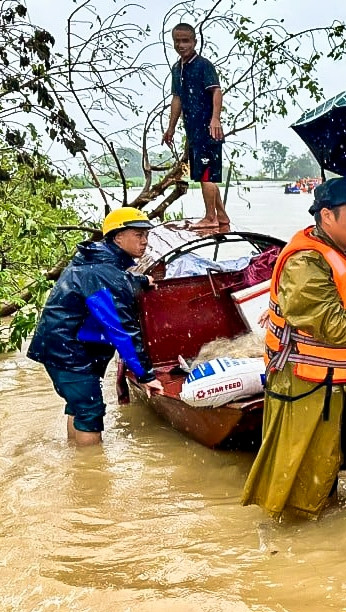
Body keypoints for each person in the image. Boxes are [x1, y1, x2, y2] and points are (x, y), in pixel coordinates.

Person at [241, 177, 346, 519]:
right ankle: (309, 545)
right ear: (327, 216)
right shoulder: (304, 265)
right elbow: (337, 328)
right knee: (311, 476)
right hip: (308, 384)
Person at [27, 207, 165, 446]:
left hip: (60, 346)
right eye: (138, 235)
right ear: (117, 236)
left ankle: (75, 460)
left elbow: (115, 279)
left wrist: (141, 280)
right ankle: (91, 477)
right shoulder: (104, 272)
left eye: (147, 235)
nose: (145, 242)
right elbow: (122, 330)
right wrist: (146, 375)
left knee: (79, 407)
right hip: (69, 352)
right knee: (90, 412)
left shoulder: (97, 260)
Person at [162, 22, 230, 229]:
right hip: (193, 131)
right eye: (177, 41)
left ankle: (210, 218)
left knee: (206, 174)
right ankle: (222, 215)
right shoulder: (177, 68)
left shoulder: (203, 65)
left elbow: (216, 91)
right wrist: (171, 127)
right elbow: (177, 99)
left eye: (186, 41)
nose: (182, 45)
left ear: (194, 42)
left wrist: (215, 118)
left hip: (208, 128)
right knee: (205, 173)